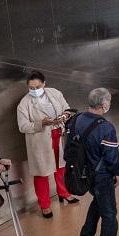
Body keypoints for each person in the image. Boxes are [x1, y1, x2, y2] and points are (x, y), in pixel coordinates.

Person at [73, 88, 119, 236]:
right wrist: (116, 173)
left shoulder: (78, 119)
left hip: (84, 173)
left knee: (97, 202)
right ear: (104, 105)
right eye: (109, 102)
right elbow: (112, 158)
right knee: (110, 214)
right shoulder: (105, 127)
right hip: (102, 176)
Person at [15, 72, 76, 218]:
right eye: (31, 87)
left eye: (37, 86)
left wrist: (64, 116)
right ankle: (45, 205)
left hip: (58, 135)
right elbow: (23, 126)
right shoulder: (24, 104)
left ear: (44, 83)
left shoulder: (55, 93)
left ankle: (64, 193)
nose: (35, 90)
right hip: (40, 141)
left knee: (61, 167)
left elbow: (67, 108)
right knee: (42, 173)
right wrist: (41, 123)